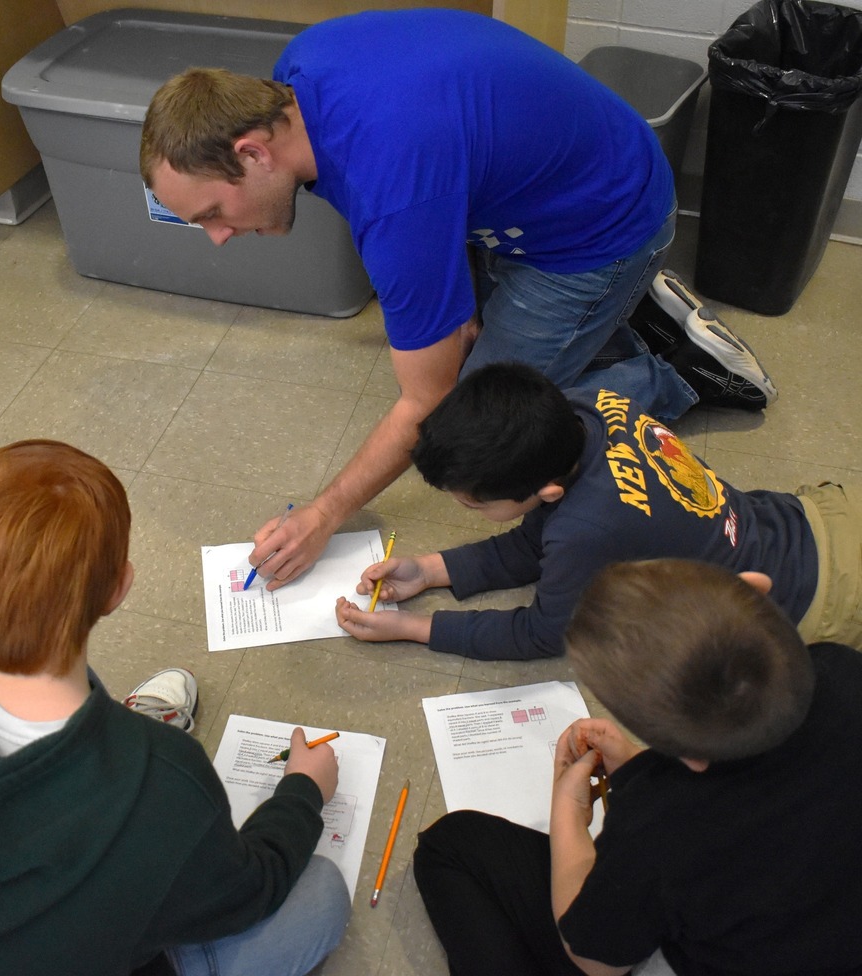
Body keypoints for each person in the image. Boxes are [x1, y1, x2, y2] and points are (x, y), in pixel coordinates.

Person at [139, 9, 776, 590]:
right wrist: (454, 304)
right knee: (461, 352)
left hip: (602, 228)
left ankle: (677, 371)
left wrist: (325, 512)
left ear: (253, 151)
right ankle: (628, 314)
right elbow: (439, 166)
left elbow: (427, 397)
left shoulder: (395, 192)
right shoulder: (299, 72)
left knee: (479, 430)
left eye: (214, 213)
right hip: (543, 182)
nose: (218, 237)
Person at [0, 439, 349, 976]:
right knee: (321, 894)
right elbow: (249, 891)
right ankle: (88, 735)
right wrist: (302, 791)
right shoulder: (167, 779)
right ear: (118, 589)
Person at [412, 559, 862, 976]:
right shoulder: (842, 666)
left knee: (449, 846)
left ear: (690, 758)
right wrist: (637, 767)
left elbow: (595, 959)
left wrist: (567, 814)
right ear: (755, 588)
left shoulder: (659, 824)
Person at [336, 361, 860, 660]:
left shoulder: (587, 529)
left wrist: (413, 629)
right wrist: (429, 570)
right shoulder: (587, 406)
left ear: (547, 492)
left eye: (475, 503)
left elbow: (543, 634)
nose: (465, 507)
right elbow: (534, 540)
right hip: (818, 516)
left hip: (819, 603)